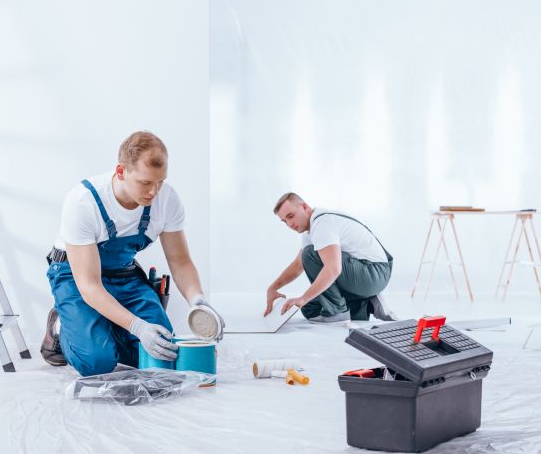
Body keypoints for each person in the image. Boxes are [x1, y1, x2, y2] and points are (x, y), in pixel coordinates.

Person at [40, 131, 224, 376]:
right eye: (145, 183)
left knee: (163, 353)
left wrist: (198, 300)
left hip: (124, 276)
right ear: (121, 172)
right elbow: (90, 286)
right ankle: (63, 326)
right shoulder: (83, 202)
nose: (154, 192)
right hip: (76, 277)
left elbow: (180, 261)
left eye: (160, 181)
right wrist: (137, 326)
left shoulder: (166, 199)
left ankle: (103, 326)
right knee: (96, 362)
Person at [264, 192, 395, 323]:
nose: (290, 224)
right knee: (309, 309)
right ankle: (365, 302)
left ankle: (338, 310)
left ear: (304, 207)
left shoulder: (322, 223)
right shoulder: (310, 229)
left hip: (375, 272)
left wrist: (303, 298)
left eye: (291, 216)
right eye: (284, 221)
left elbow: (333, 269)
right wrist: (273, 287)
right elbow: (298, 264)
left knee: (310, 254)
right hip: (364, 274)